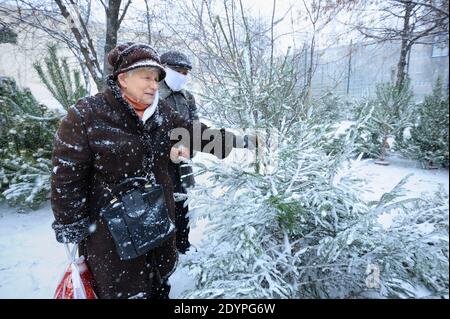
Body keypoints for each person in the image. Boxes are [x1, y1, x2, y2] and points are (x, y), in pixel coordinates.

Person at [50, 42, 254, 299]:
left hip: (157, 228)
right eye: (146, 77)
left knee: (159, 286)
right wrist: (71, 223)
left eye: (157, 78)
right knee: (124, 292)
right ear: (122, 78)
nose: (153, 84)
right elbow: (66, 177)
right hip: (112, 240)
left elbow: (194, 134)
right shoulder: (87, 116)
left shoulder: (162, 115)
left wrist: (242, 141)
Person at [159, 50, 197, 254]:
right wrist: (167, 149)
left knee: (182, 205)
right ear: (163, 69)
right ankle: (165, 250)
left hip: (182, 165)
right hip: (159, 165)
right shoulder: (152, 95)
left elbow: (195, 126)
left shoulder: (187, 97)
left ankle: (183, 244)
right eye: (177, 70)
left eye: (185, 72)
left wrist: (191, 147)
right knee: (162, 207)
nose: (182, 75)